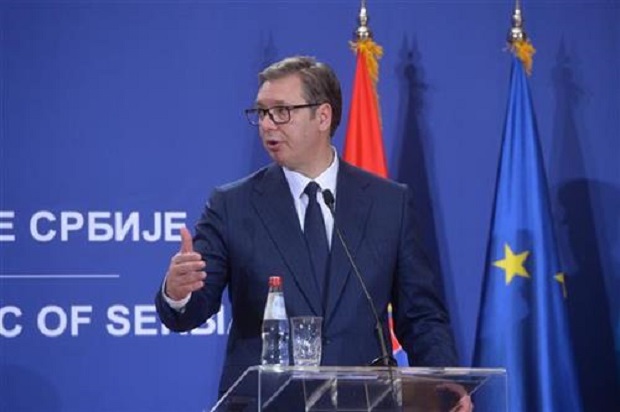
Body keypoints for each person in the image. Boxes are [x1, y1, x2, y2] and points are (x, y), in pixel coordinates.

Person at [155, 55, 461, 404]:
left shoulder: (389, 203)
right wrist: (178, 293)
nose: (267, 124)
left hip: (362, 403)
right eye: (261, 113)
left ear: (323, 116)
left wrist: (445, 381)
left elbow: (421, 316)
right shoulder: (231, 205)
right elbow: (191, 310)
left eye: (281, 111)